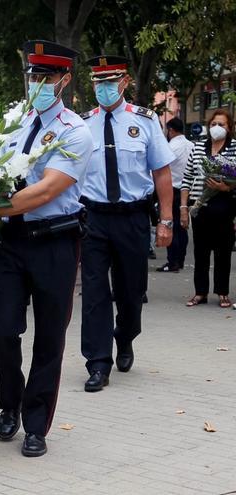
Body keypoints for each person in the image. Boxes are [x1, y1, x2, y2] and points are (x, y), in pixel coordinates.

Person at [0, 41, 92, 458]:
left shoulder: (74, 130)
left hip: (55, 242)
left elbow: (47, 189)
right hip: (10, 243)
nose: (38, 83)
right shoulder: (11, 122)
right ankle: (9, 400)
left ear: (64, 80)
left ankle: (35, 424)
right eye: (33, 75)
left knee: (49, 338)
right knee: (1, 331)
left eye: (46, 77)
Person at [79, 55, 174, 393]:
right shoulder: (82, 124)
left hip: (133, 216)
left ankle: (126, 336)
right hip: (94, 219)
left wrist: (166, 220)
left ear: (124, 82)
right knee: (93, 292)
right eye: (97, 82)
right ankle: (98, 362)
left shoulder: (145, 121)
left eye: (109, 81)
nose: (102, 88)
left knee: (131, 292)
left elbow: (161, 172)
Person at [181, 109, 236, 308]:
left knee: (223, 252)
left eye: (221, 124)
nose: (217, 128)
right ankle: (200, 292)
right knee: (201, 252)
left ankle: (222, 292)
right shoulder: (198, 147)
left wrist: (226, 186)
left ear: (229, 128)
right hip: (199, 206)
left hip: (224, 206)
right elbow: (186, 179)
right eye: (213, 124)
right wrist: (183, 208)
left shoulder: (234, 148)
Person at [157, 118, 193, 273]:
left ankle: (172, 262)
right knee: (182, 227)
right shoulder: (192, 145)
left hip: (173, 189)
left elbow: (162, 169)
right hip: (187, 190)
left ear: (170, 130)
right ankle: (181, 260)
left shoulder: (170, 147)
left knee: (171, 225)